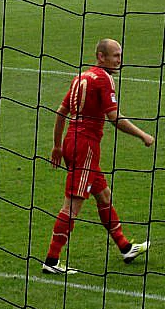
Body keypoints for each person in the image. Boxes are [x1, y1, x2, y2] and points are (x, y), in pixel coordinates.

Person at [43, 38, 154, 275]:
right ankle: (51, 261)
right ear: (101, 57)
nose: (120, 60)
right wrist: (143, 135)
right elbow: (114, 118)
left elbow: (61, 112)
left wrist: (57, 146)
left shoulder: (81, 78)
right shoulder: (104, 79)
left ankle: (125, 247)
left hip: (73, 142)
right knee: (72, 205)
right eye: (115, 56)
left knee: (104, 195)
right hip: (86, 147)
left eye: (121, 55)